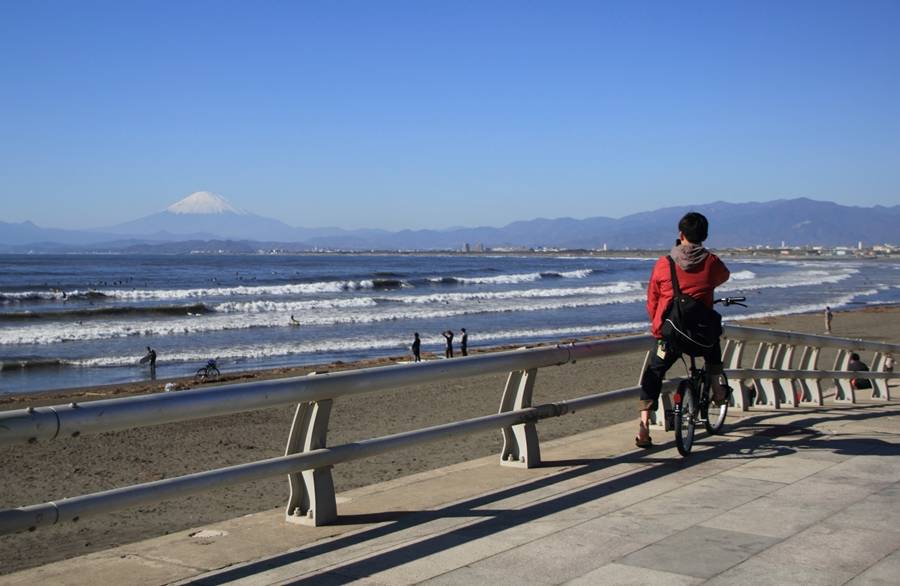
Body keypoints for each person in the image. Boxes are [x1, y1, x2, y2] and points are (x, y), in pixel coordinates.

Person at [636, 212, 730, 448]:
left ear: (680, 234)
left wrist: (658, 327)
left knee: (654, 373)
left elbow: (652, 300)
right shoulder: (711, 262)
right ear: (705, 236)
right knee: (712, 346)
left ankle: (644, 427)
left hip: (671, 334)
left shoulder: (663, 263)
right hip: (700, 334)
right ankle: (718, 391)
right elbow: (724, 277)